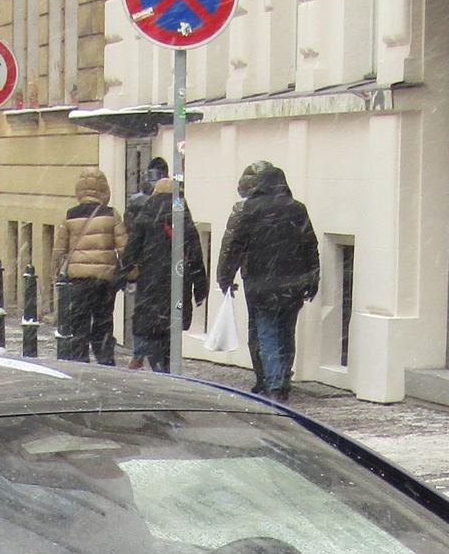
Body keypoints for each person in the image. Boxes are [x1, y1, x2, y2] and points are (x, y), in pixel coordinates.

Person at [213, 161, 318, 402]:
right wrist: (313, 277)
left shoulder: (250, 209)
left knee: (267, 331)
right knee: (286, 332)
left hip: (260, 282)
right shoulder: (297, 209)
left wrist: (225, 277)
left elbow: (233, 246)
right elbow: (310, 246)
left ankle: (274, 384)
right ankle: (281, 379)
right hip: (293, 282)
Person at [118, 177, 208, 374]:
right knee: (171, 332)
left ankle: (159, 369)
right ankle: (166, 370)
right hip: (177, 284)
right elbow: (195, 255)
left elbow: (131, 250)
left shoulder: (146, 215)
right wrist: (200, 289)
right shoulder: (182, 216)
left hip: (151, 284)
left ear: (155, 193)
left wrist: (119, 278)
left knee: (152, 331)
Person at [51, 169, 124, 365]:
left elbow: (59, 250)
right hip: (104, 279)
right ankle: (105, 361)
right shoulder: (111, 215)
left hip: (78, 280)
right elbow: (124, 247)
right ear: (104, 190)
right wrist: (131, 273)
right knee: (103, 322)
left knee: (79, 324)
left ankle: (81, 363)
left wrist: (56, 271)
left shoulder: (70, 215)